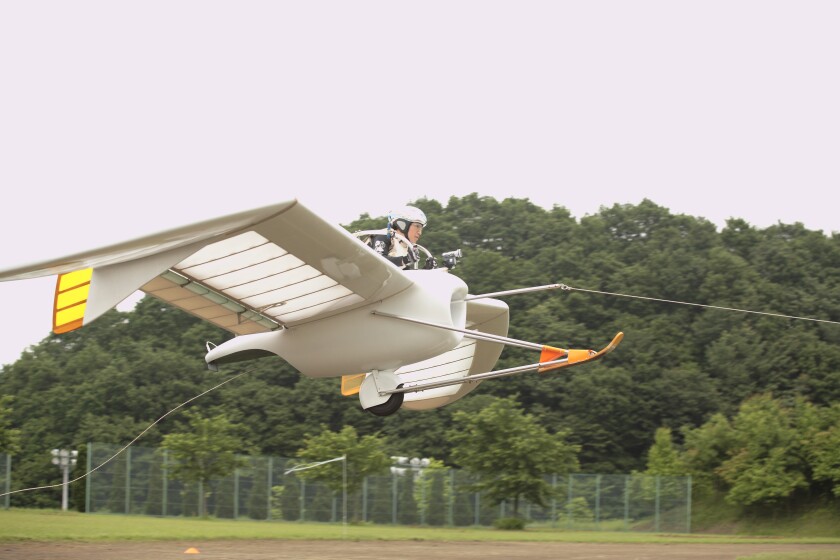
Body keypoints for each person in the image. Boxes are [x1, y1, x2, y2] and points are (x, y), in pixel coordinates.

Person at [365, 206, 437, 270]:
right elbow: (378, 261)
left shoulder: (404, 245)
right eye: (417, 226)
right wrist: (405, 259)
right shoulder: (383, 235)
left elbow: (405, 273)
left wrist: (426, 269)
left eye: (421, 228)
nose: (420, 232)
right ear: (403, 224)